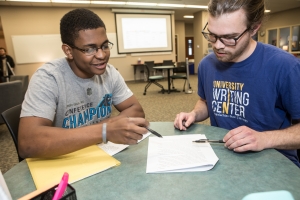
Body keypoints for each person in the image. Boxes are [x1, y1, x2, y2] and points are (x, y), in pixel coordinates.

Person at [174, 0, 300, 167]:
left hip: (273, 164)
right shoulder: (206, 65)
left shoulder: (285, 66)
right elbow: (206, 101)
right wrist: (194, 114)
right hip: (224, 161)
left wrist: (264, 138)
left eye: (229, 37)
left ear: (254, 28)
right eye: (212, 35)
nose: (217, 46)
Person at [18, 8, 149, 159]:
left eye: (105, 46)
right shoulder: (48, 77)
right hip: (64, 161)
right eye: (89, 49)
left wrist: (100, 130)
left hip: (98, 155)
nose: (101, 55)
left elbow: (136, 110)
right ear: (68, 51)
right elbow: (28, 143)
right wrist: (104, 131)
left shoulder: (110, 72)